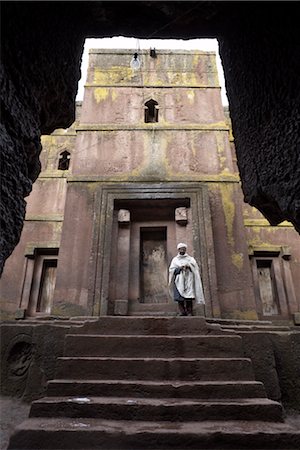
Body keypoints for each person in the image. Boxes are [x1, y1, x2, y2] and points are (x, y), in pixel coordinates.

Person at [168, 243, 205, 316]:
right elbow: (172, 271)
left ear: (185, 249)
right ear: (178, 250)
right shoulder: (175, 260)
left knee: (189, 297)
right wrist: (180, 268)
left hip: (189, 280)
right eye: (181, 249)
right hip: (179, 281)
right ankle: (182, 312)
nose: (182, 250)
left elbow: (196, 269)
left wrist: (189, 267)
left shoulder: (190, 259)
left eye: (183, 249)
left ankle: (189, 312)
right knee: (179, 298)